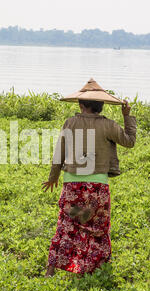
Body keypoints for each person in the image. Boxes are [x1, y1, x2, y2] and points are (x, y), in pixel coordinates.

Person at [43, 78, 137, 276]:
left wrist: (53, 177)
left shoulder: (70, 122)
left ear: (81, 104)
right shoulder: (109, 125)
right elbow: (129, 141)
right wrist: (127, 117)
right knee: (96, 226)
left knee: (67, 224)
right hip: (97, 184)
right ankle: (90, 269)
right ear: (101, 106)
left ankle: (51, 269)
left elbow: (59, 152)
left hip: (72, 183)